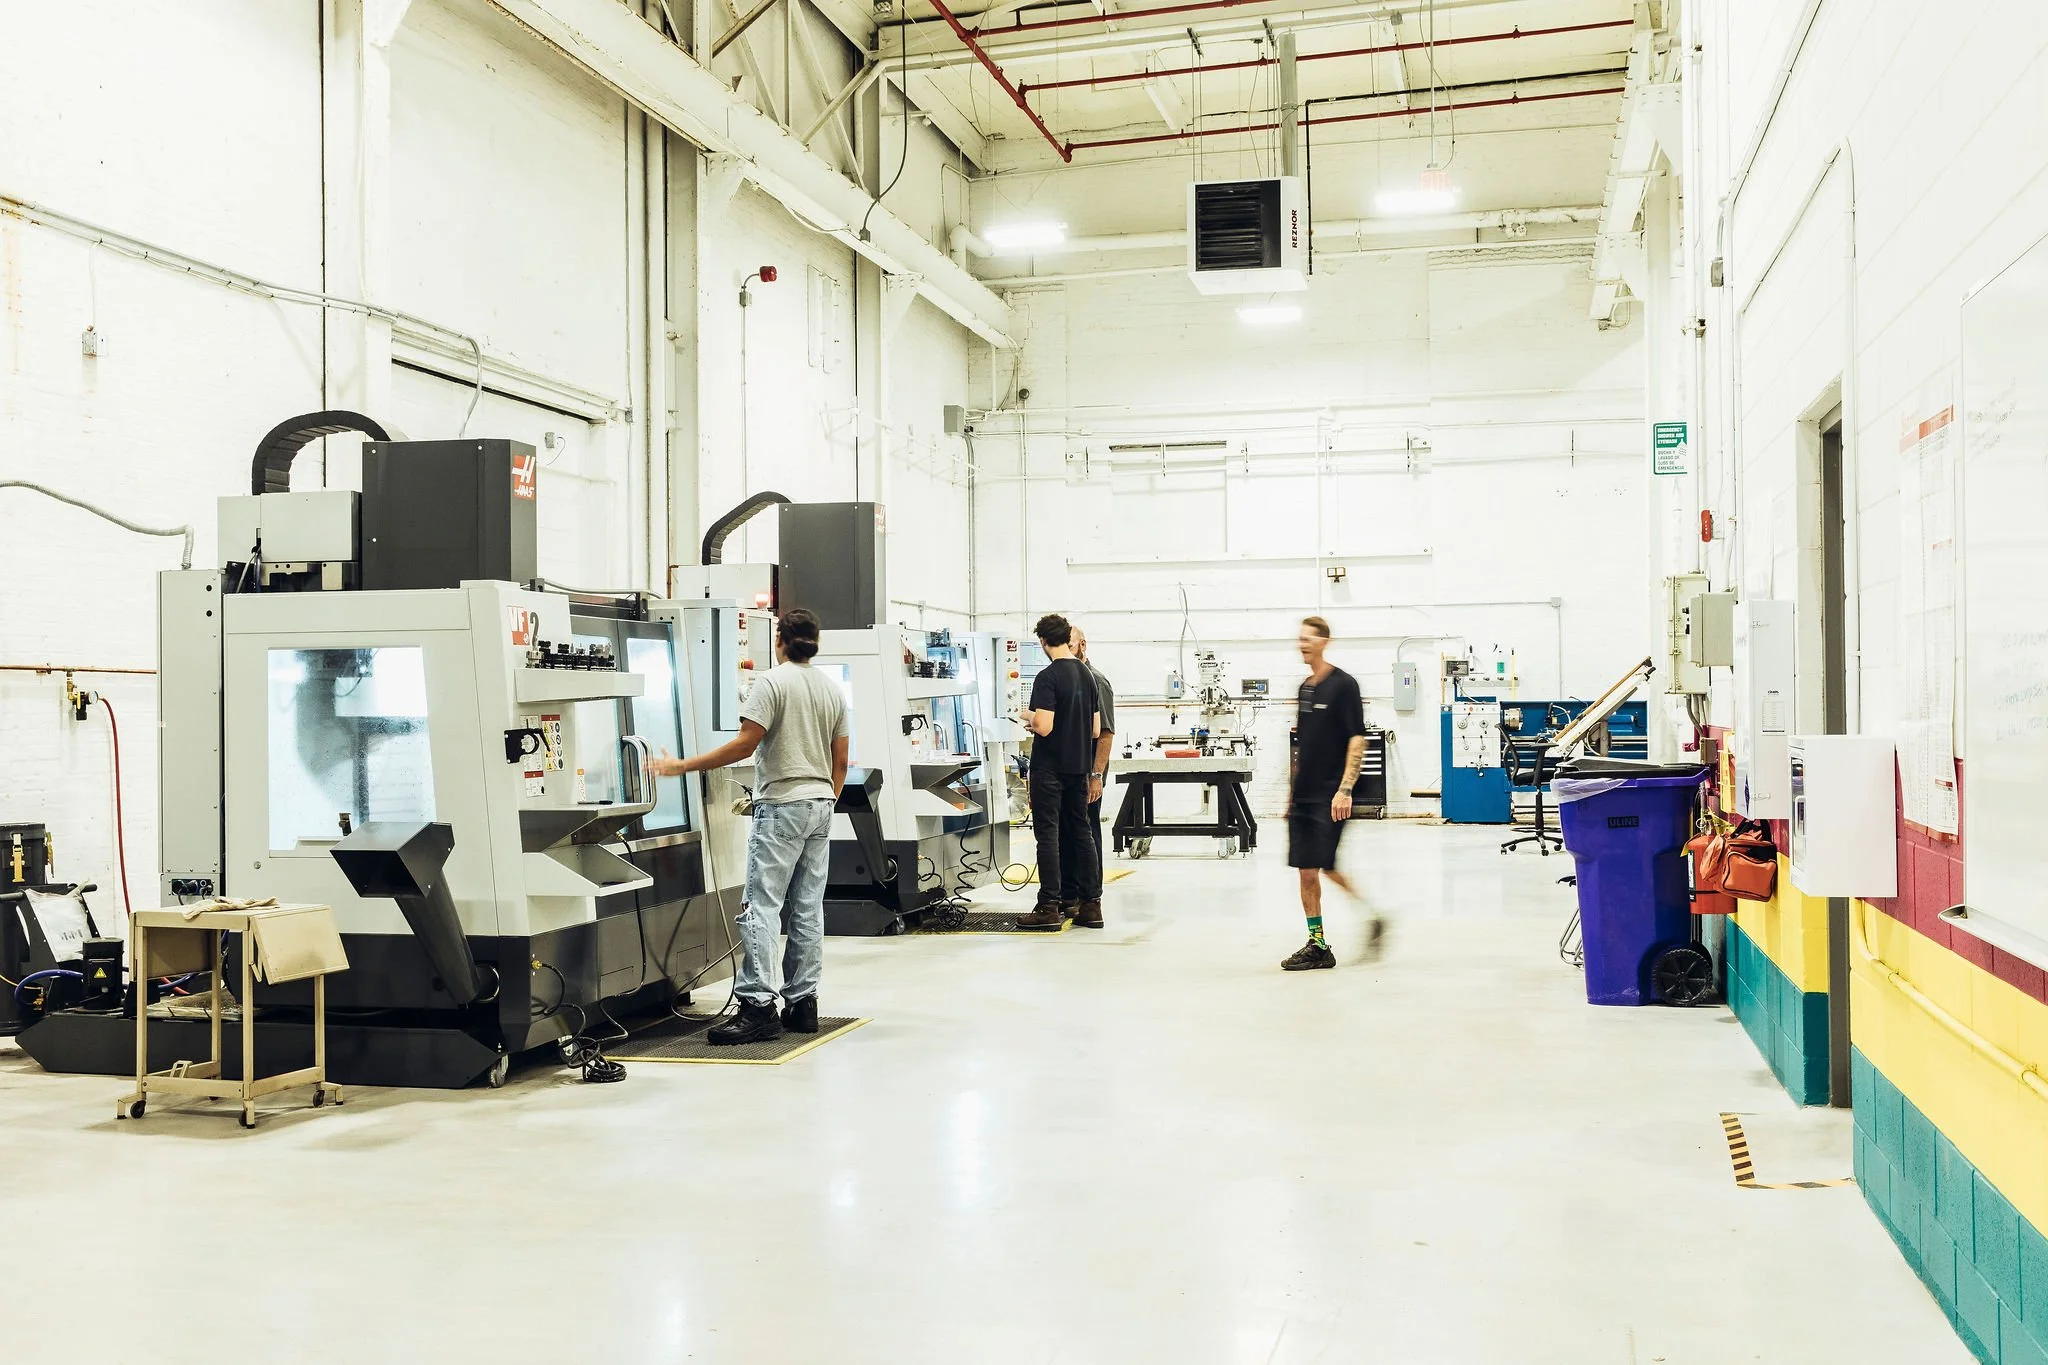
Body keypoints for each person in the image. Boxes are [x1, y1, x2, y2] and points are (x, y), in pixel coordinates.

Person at [652, 607, 849, 1042]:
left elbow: (744, 746)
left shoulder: (771, 683)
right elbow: (841, 762)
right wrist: (823, 801)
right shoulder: (831, 689)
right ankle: (802, 1004)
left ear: (780, 641)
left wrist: (681, 765)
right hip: (821, 804)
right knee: (807, 907)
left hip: (782, 804)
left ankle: (758, 1006)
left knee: (761, 907)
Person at [1282, 615, 1385, 971]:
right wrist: (1291, 794)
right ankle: (1318, 944)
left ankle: (1370, 916)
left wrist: (1345, 789)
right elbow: (1302, 745)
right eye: (1300, 638)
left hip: (1330, 795)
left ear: (1324, 641)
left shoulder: (1344, 685)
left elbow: (1357, 738)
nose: (1302, 644)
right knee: (1306, 869)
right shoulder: (1306, 688)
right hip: (1304, 795)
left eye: (1308, 639)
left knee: (1325, 865)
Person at [1016, 613, 1102, 931]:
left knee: (1048, 836)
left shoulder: (1047, 676)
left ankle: (1048, 906)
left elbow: (1044, 726)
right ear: (1067, 638)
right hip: (1078, 768)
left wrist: (1027, 715)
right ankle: (1091, 905)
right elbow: (1095, 730)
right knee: (1081, 833)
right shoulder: (1087, 675)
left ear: (1043, 641)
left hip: (1049, 769)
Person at [1071, 627, 1116, 928]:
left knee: (1087, 830)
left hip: (1089, 773)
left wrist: (1096, 775)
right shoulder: (1068, 679)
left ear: (1082, 645)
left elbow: (1106, 733)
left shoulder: (1096, 681)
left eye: (1068, 645)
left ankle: (1090, 898)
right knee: (1073, 832)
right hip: (1071, 772)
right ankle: (1074, 894)